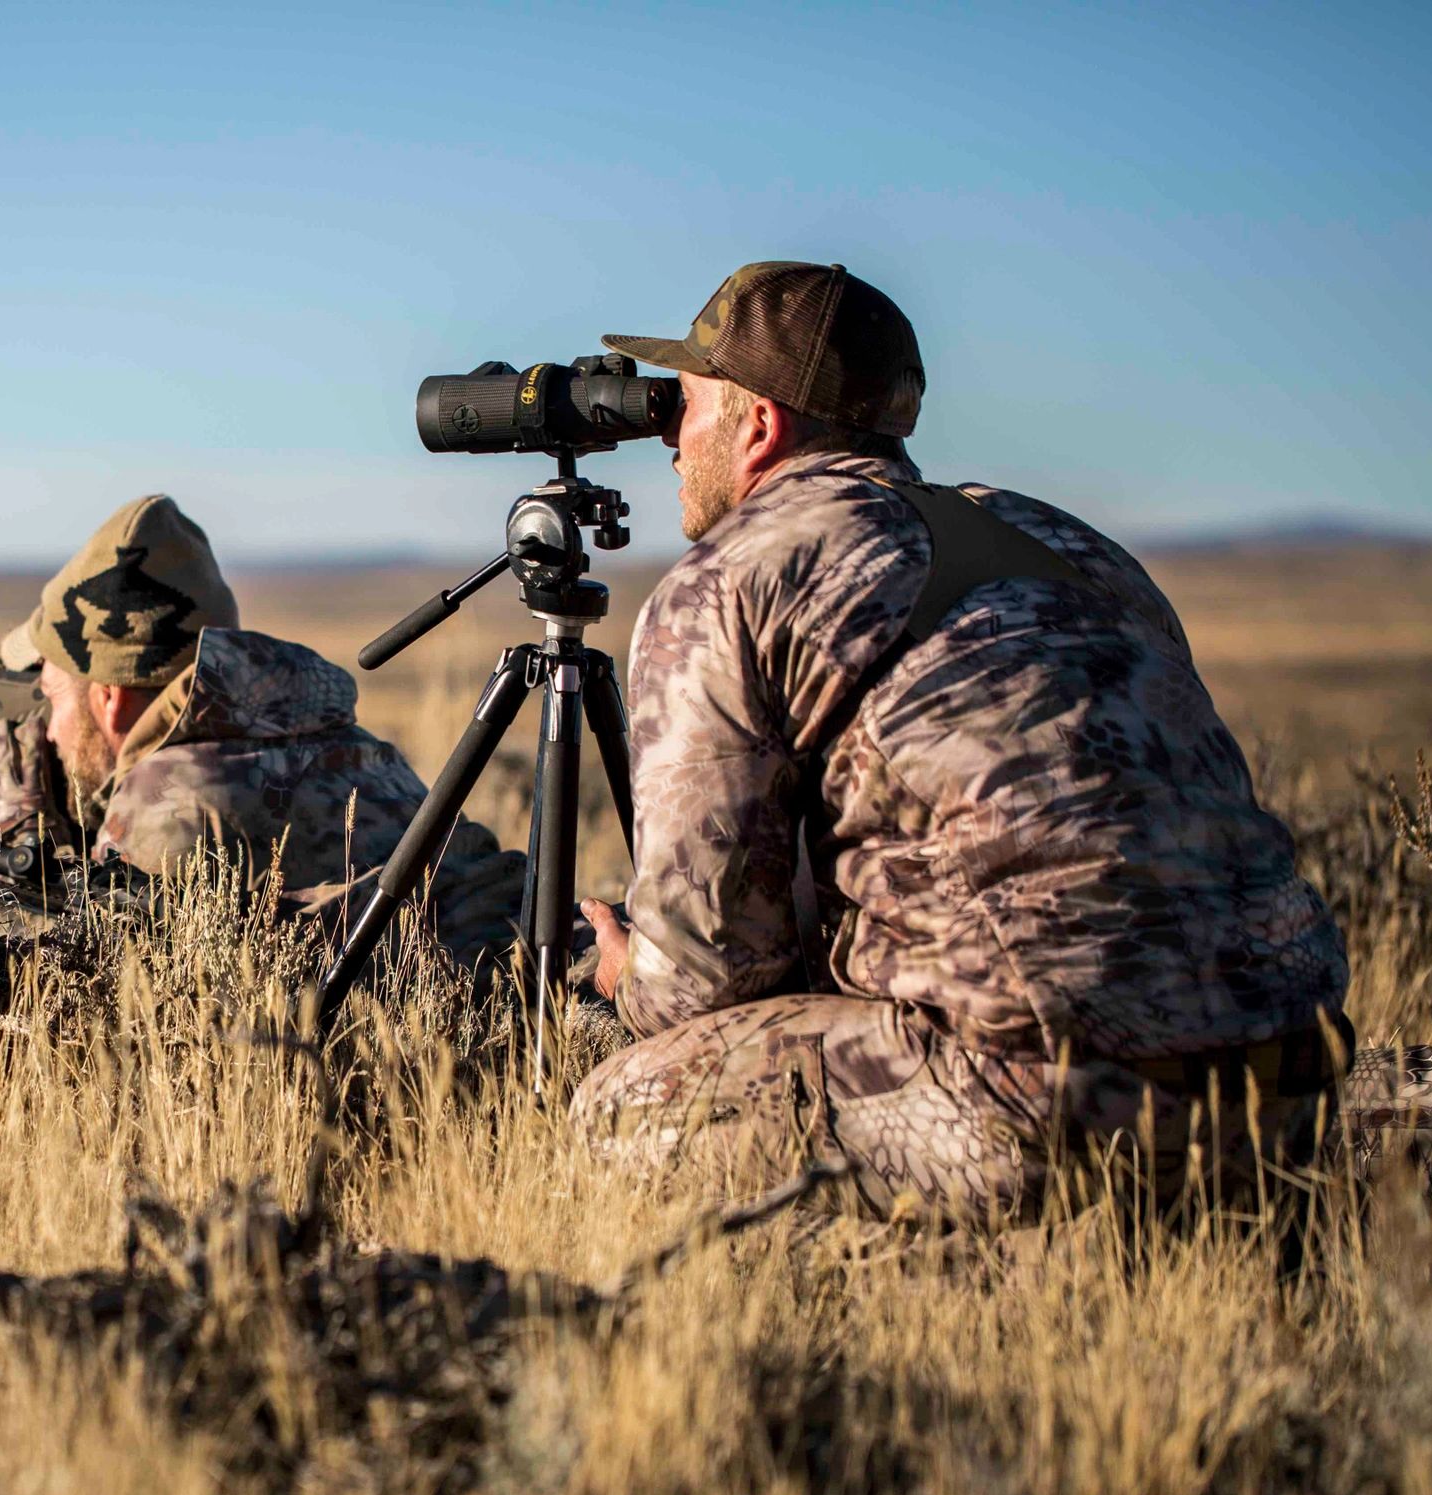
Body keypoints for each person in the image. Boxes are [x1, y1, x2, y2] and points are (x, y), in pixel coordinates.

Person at [564, 260, 1384, 1225]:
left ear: (759, 426)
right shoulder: (1071, 544)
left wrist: (628, 976)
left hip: (1043, 1105)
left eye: (684, 404)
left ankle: (949, 1279)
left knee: (619, 1110)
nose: (664, 432)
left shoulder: (732, 580)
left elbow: (704, 980)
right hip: (1286, 1077)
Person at [0, 493, 525, 964]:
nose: (47, 734)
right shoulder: (353, 747)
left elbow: (81, 998)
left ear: (111, 700)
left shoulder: (163, 806)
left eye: (53, 700)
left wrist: (19, 847)